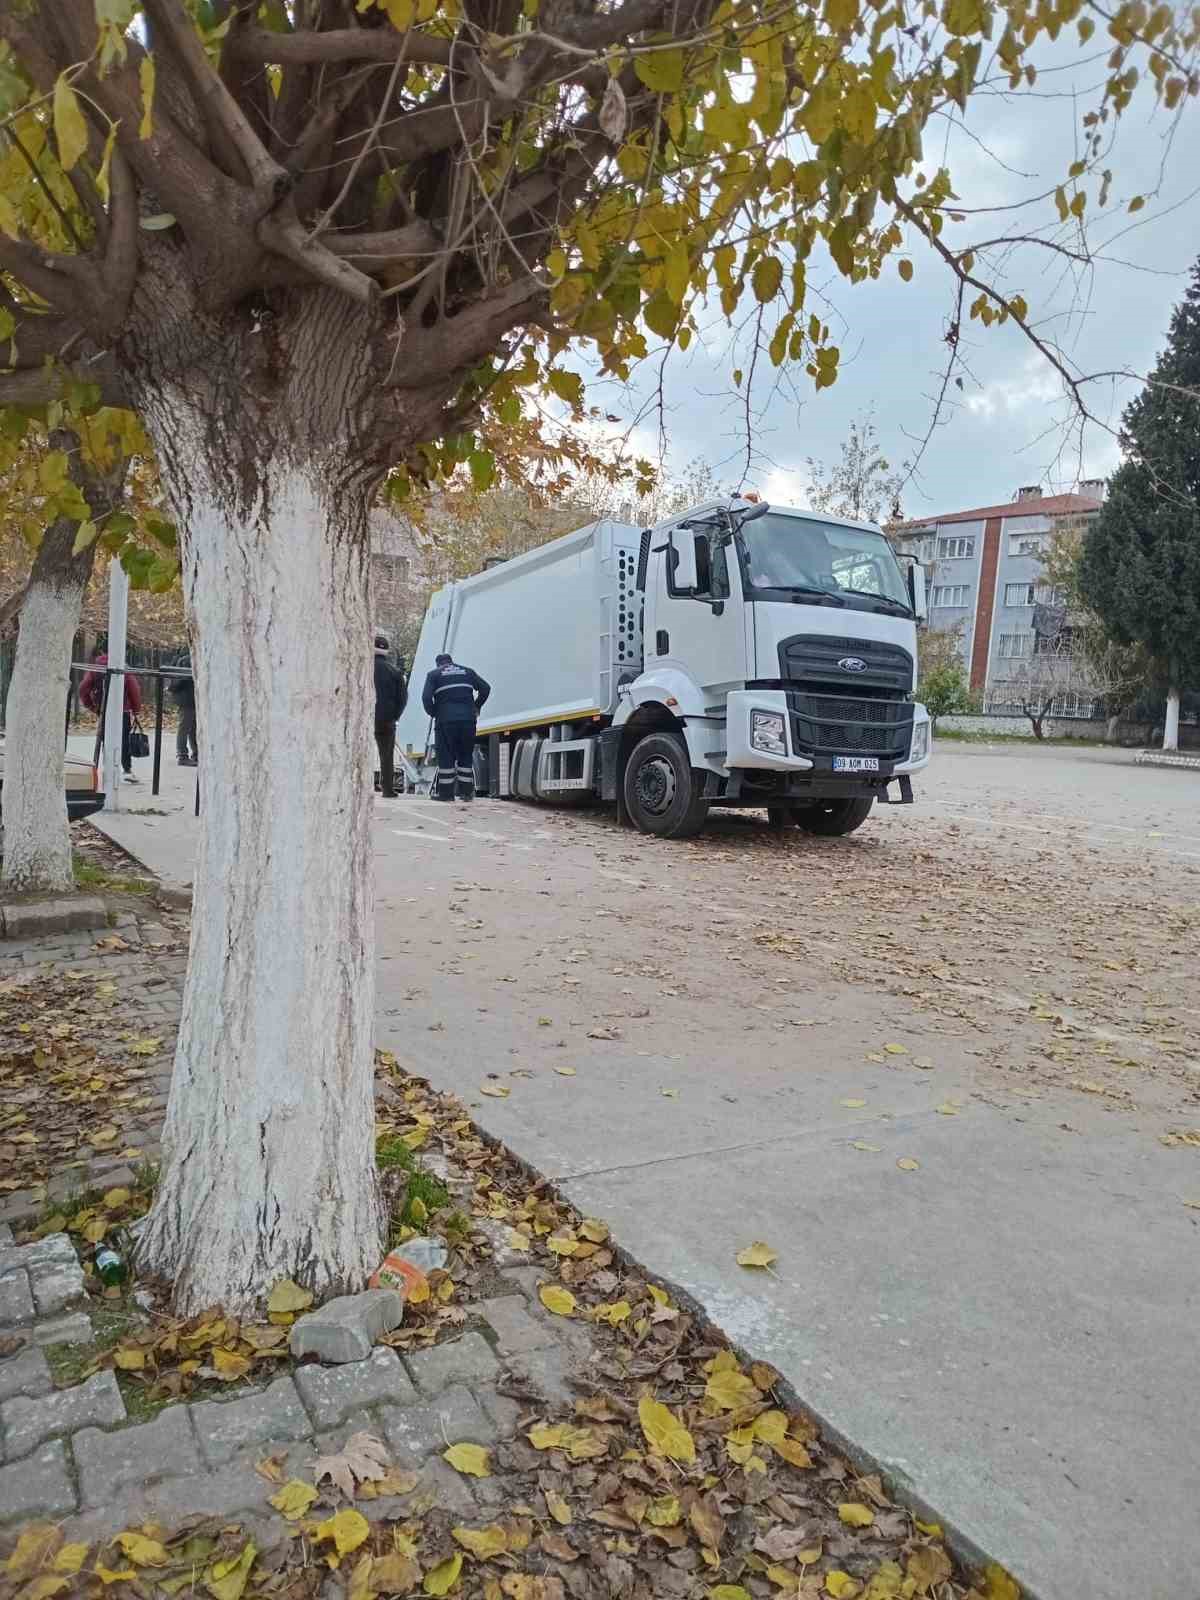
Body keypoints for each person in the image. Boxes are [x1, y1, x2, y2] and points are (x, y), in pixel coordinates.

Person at [421, 651, 489, 801]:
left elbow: (426, 698)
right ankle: (466, 793)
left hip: (446, 721)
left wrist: (435, 713)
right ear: (451, 662)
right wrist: (476, 706)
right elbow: (486, 688)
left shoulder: (434, 675)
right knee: (465, 755)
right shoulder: (468, 672)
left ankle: (446, 794)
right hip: (468, 720)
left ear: (438, 664)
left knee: (446, 756)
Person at [80, 649, 142, 783]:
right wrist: (136, 710)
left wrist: (91, 705)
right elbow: (134, 689)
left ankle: (107, 768)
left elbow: (83, 688)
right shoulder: (122, 667)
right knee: (124, 740)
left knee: (106, 739)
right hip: (122, 710)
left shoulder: (95, 668)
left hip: (104, 710)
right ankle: (127, 770)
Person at [373, 632, 407, 798]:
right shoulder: (395, 672)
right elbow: (403, 698)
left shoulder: (362, 668)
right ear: (387, 651)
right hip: (386, 718)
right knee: (386, 754)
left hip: (365, 717)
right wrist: (395, 716)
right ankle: (387, 789)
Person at [171, 660, 198, 766]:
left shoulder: (185, 659)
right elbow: (181, 680)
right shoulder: (187, 660)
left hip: (188, 699)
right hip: (187, 699)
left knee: (191, 727)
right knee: (185, 727)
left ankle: (195, 753)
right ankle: (182, 755)